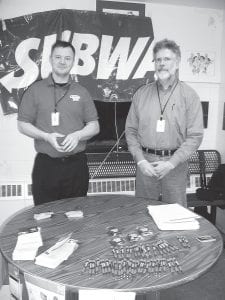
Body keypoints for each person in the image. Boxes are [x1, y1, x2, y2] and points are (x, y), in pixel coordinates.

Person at [17, 40, 99, 206]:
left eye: (67, 58)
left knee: (76, 215)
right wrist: (46, 136)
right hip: (46, 166)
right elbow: (22, 124)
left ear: (73, 61)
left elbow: (94, 126)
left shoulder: (82, 92)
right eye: (58, 57)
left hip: (77, 167)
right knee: (45, 216)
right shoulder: (35, 90)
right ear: (50, 59)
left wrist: (78, 135)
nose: (63, 61)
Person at [125, 38, 204, 207]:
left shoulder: (189, 96)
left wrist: (171, 163)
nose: (162, 64)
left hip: (175, 165)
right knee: (143, 212)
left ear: (177, 63)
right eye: (158, 60)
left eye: (167, 59)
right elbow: (130, 131)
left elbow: (195, 137)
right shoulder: (141, 94)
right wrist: (140, 160)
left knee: (175, 215)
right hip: (146, 164)